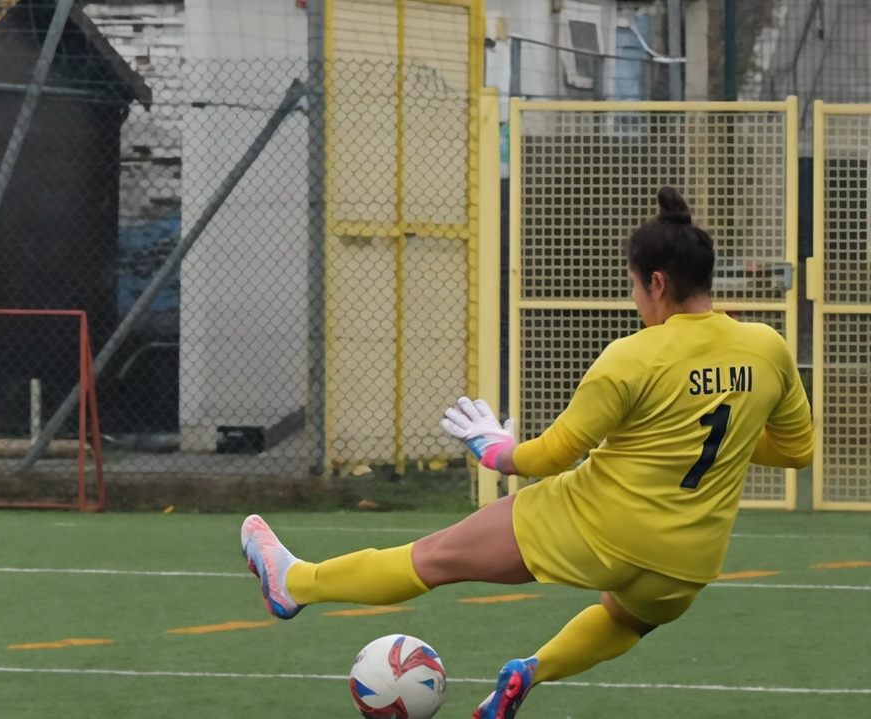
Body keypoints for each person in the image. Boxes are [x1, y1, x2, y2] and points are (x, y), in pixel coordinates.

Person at [241, 187, 813, 718]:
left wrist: (495, 450)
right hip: (687, 559)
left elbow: (553, 455)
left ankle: (295, 584)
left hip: (596, 528)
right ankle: (532, 672)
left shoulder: (632, 357)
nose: (634, 296)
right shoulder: (767, 348)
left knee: (433, 558)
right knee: (628, 618)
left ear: (657, 283)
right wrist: (714, 436)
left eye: (634, 285)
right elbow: (797, 450)